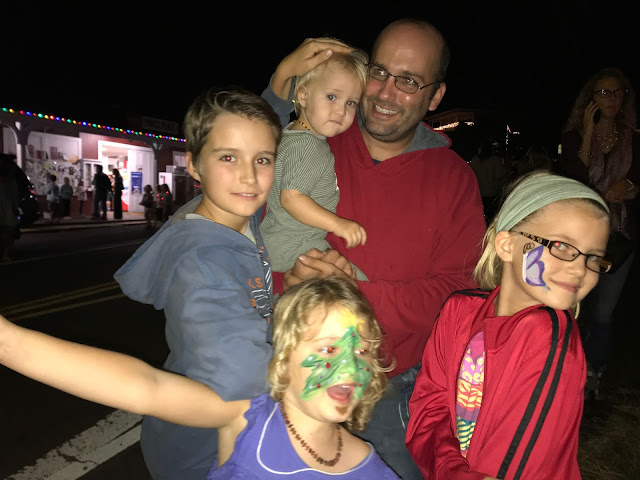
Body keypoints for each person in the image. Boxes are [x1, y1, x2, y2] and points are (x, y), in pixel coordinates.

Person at [261, 19, 486, 479]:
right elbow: (242, 209)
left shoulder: (454, 178)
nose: (385, 92)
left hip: (388, 383)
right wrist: (288, 279)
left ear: (435, 96)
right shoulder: (315, 138)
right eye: (379, 72)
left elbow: (459, 296)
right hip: (294, 367)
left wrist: (351, 296)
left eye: (409, 81)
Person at [0, 276, 400, 479]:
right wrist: (9, 342)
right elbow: (146, 387)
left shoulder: (371, 466)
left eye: (362, 352)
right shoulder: (245, 422)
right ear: (284, 357)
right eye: (328, 350)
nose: (351, 369)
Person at [113, 87, 280, 480]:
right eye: (228, 157)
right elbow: (242, 373)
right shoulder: (201, 261)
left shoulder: (236, 215)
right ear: (193, 164)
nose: (249, 176)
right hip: (205, 452)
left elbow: (261, 130)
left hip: (226, 435)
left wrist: (279, 89)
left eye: (262, 159)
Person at [406, 171, 612, 479]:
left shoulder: (549, 337)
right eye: (561, 246)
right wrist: (451, 469)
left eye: (593, 257)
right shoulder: (458, 311)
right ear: (506, 245)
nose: (580, 269)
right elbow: (428, 408)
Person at [560, 67, 640, 402]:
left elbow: (637, 181)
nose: (611, 98)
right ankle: (564, 369)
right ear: (590, 98)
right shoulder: (574, 137)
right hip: (578, 236)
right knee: (572, 304)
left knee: (604, 311)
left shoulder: (633, 137)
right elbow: (573, 179)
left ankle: (593, 372)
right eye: (603, 92)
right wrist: (589, 132)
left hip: (619, 236)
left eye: (617, 92)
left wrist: (630, 186)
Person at [260, 45, 369, 281]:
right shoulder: (308, 146)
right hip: (296, 243)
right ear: (303, 95)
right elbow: (291, 198)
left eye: (351, 103)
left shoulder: (291, 134)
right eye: (332, 97)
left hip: (280, 240)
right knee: (357, 283)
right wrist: (338, 224)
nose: (340, 111)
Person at [469, 138, 507, 224]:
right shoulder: (494, 160)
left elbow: (471, 175)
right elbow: (500, 176)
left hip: (479, 193)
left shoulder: (475, 160)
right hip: (492, 193)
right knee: (492, 217)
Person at [0, 156, 19, 263]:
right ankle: (5, 254)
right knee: (8, 232)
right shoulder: (11, 181)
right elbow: (14, 197)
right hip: (7, 210)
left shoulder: (10, 182)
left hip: (6, 210)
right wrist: (15, 208)